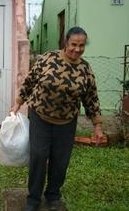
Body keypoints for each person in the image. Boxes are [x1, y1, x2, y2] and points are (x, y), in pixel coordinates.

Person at [11, 26, 104, 211]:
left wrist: (98, 126)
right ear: (66, 43)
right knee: (38, 157)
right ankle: (33, 198)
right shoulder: (47, 59)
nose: (77, 49)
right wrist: (17, 103)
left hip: (66, 123)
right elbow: (29, 82)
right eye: (74, 44)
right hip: (40, 118)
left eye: (82, 46)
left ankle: (53, 194)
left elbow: (91, 98)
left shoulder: (85, 69)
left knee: (60, 160)